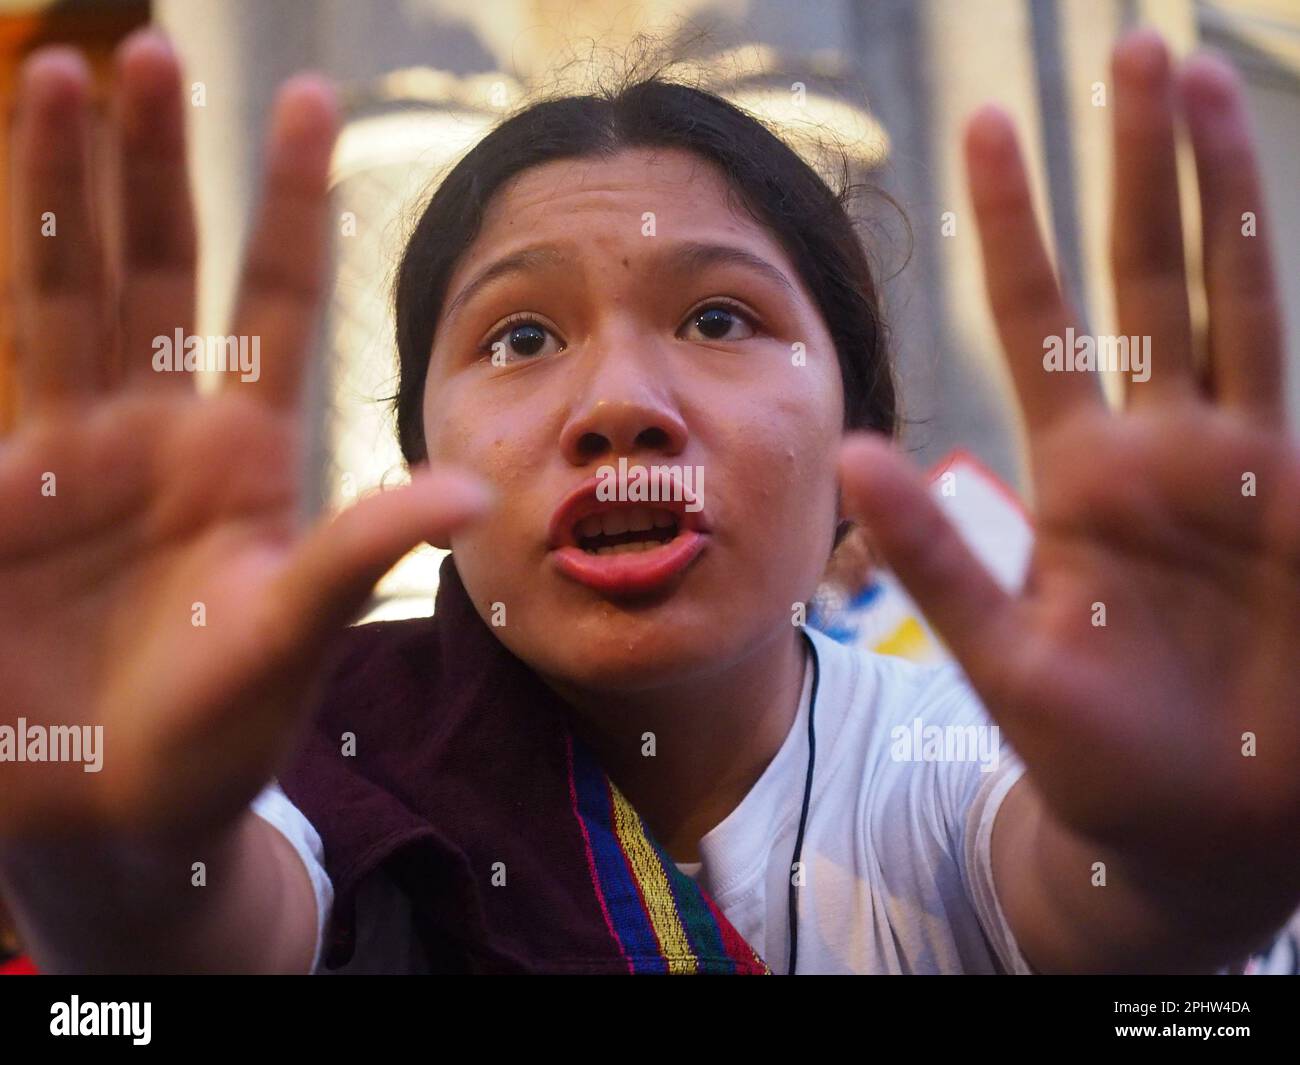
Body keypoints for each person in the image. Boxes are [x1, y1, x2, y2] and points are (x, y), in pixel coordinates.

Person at [0, 23, 1297, 975]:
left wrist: (1189, 859)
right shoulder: (312, 748)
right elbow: (201, 920)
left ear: (862, 437)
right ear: (418, 464)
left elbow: (1107, 909)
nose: (619, 400)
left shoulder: (942, 760)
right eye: (518, 337)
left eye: (719, 316)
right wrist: (105, 855)